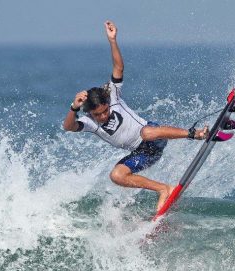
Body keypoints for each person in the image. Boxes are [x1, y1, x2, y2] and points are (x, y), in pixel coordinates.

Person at [63, 20, 208, 211]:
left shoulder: (112, 94)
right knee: (116, 175)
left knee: (146, 133)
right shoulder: (89, 122)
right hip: (144, 154)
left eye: (106, 110)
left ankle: (194, 134)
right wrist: (74, 108)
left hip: (154, 136)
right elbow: (69, 127)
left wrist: (113, 41)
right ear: (90, 113)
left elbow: (118, 69)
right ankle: (163, 189)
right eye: (98, 114)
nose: (104, 115)